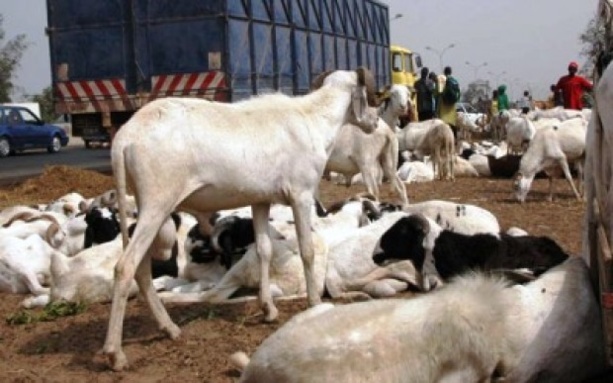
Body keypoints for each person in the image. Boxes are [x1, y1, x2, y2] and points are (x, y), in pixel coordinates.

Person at [438, 66, 460, 138]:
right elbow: (459, 93)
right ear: (451, 72)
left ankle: (444, 137)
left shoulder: (442, 80)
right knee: (452, 122)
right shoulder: (455, 81)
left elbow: (440, 92)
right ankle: (454, 137)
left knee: (443, 122)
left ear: (444, 72)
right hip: (452, 105)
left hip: (444, 103)